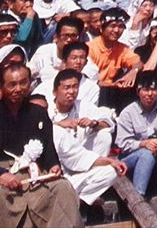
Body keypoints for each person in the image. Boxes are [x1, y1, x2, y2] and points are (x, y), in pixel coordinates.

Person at [0, 62, 81, 228]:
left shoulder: (38, 113)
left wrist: (53, 166)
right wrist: (0, 174)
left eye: (23, 83)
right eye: (12, 84)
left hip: (35, 173)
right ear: (0, 86)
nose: (18, 89)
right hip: (1, 174)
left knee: (62, 187)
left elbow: (48, 148)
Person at [48, 67, 123, 210]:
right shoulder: (47, 111)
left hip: (83, 165)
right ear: (55, 92)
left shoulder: (82, 105)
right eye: (67, 88)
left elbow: (108, 123)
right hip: (58, 172)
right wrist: (59, 124)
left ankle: (79, 199)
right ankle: (82, 198)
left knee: (105, 139)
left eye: (75, 87)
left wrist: (93, 123)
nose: (72, 91)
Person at [113, 70, 157, 217]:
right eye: (145, 89)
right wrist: (143, 144)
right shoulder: (128, 113)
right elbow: (123, 143)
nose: (150, 94)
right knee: (146, 153)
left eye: (154, 89)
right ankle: (138, 197)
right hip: (131, 158)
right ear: (138, 91)